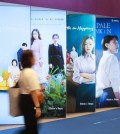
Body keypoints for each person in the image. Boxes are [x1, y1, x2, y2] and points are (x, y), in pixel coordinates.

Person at [19, 50, 41, 134]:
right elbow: (33, 91)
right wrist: (37, 107)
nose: (34, 59)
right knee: (32, 128)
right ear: (29, 59)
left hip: (23, 100)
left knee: (29, 126)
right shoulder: (31, 72)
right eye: (33, 57)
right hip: (30, 102)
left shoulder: (22, 72)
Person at [72, 35, 96, 112]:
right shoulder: (78, 60)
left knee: (93, 116)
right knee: (80, 114)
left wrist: (83, 74)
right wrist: (92, 77)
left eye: (90, 44)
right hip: (82, 90)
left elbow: (99, 77)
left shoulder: (97, 59)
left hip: (93, 90)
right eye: (85, 44)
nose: (88, 46)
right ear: (83, 45)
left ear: (93, 45)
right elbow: (75, 77)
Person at [96, 35, 120, 107]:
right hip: (111, 95)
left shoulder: (103, 58)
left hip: (104, 96)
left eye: (117, 43)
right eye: (114, 42)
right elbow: (114, 81)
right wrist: (118, 100)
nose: (117, 44)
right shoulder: (112, 58)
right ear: (107, 45)